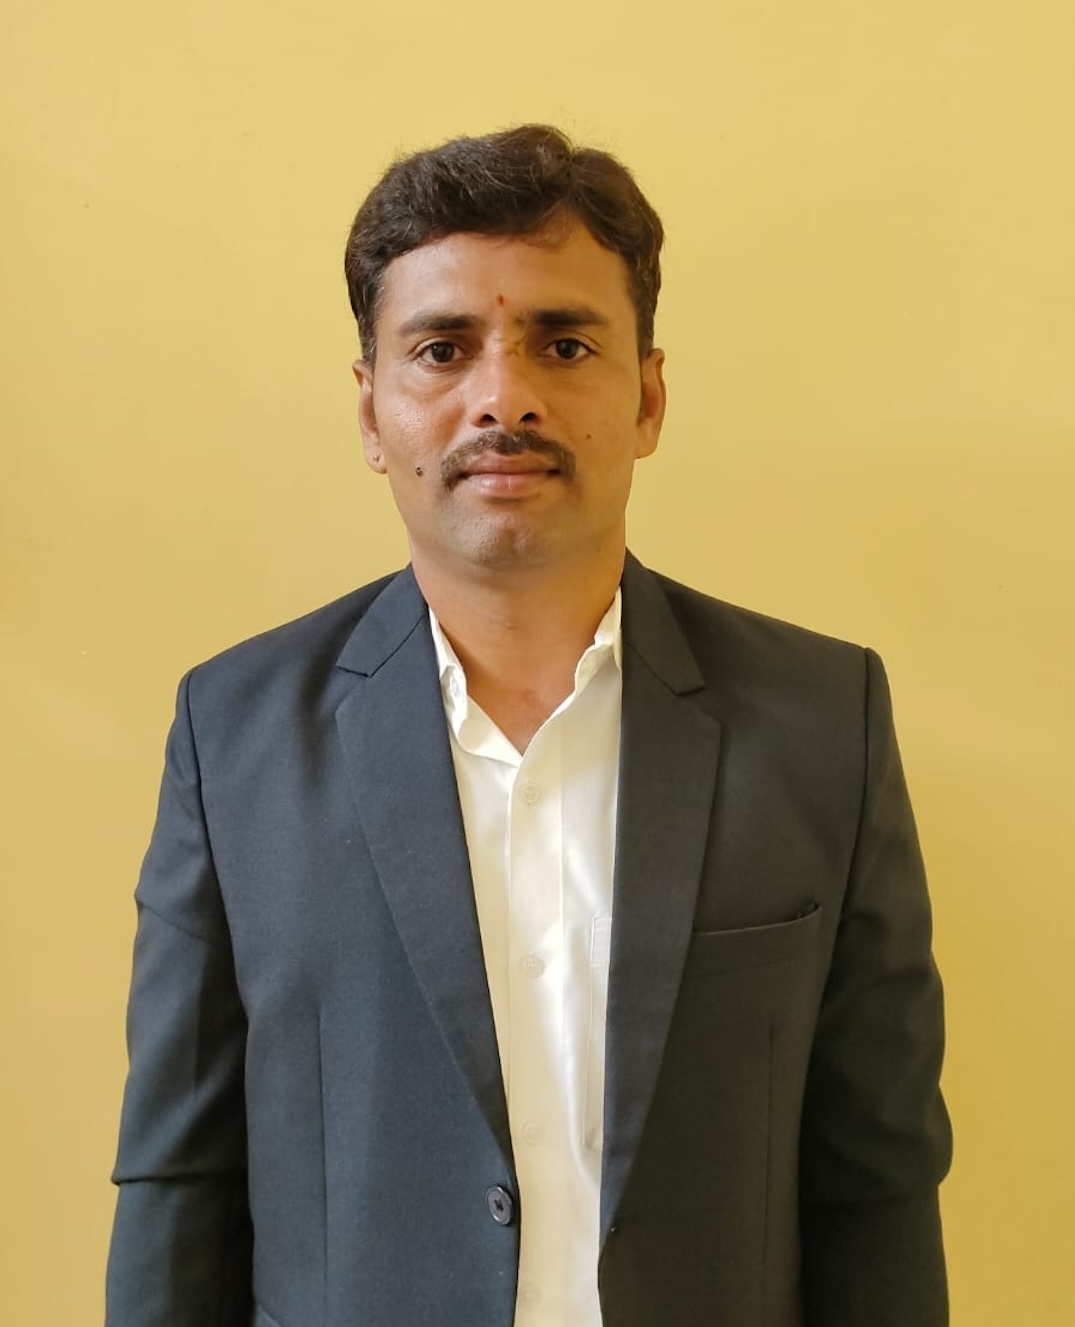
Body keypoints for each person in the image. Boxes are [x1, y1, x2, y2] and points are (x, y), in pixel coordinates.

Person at [106, 125, 952, 1327]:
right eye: (441, 349)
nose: (503, 397)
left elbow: (877, 1181)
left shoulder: (822, 723)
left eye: (563, 344)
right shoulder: (233, 736)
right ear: (371, 411)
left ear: (648, 395)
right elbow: (178, 1183)